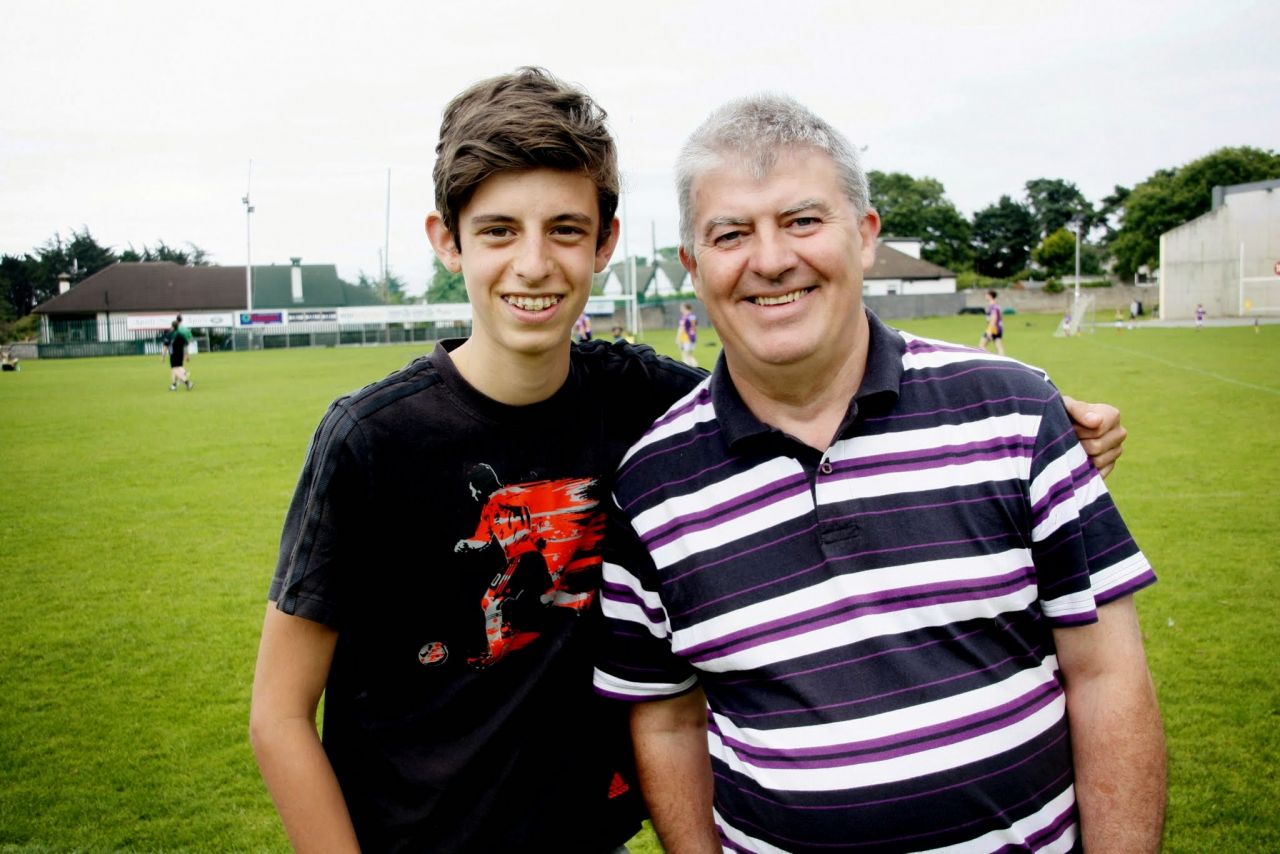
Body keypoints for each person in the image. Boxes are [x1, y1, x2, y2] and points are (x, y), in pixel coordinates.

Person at [249, 69, 1129, 853]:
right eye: (497, 231)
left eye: (565, 230)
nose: (534, 263)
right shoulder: (373, 439)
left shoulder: (644, 403)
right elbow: (280, 713)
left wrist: (1038, 409)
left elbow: (796, 367)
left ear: (604, 243)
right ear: (449, 242)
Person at [593, 94, 1165, 853]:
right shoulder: (651, 485)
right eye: (732, 233)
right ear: (693, 268)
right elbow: (668, 717)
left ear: (864, 237)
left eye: (802, 221)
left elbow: (1106, 676)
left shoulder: (1016, 411)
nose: (770, 259)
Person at [167, 320, 192, 390]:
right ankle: (174, 385)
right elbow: (187, 342)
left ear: (172, 326)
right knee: (176, 368)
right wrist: (187, 354)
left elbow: (166, 345)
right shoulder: (183, 331)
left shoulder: (172, 333)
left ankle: (186, 381)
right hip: (180, 353)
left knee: (174, 369)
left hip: (174, 353)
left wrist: (163, 355)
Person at [979, 288, 1005, 354]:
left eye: (986, 295)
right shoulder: (996, 305)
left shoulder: (993, 306)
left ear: (990, 296)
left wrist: (989, 330)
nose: (985, 296)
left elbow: (994, 318)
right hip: (998, 328)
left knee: (981, 345)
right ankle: (1002, 361)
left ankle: (991, 358)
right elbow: (1001, 317)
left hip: (993, 329)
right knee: (998, 347)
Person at [676, 302, 700, 367]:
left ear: (685, 308)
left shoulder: (686, 317)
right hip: (692, 336)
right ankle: (695, 366)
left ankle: (688, 367)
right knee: (689, 354)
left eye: (681, 308)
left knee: (685, 354)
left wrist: (678, 338)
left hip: (686, 337)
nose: (680, 309)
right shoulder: (692, 316)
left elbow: (682, 328)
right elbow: (695, 327)